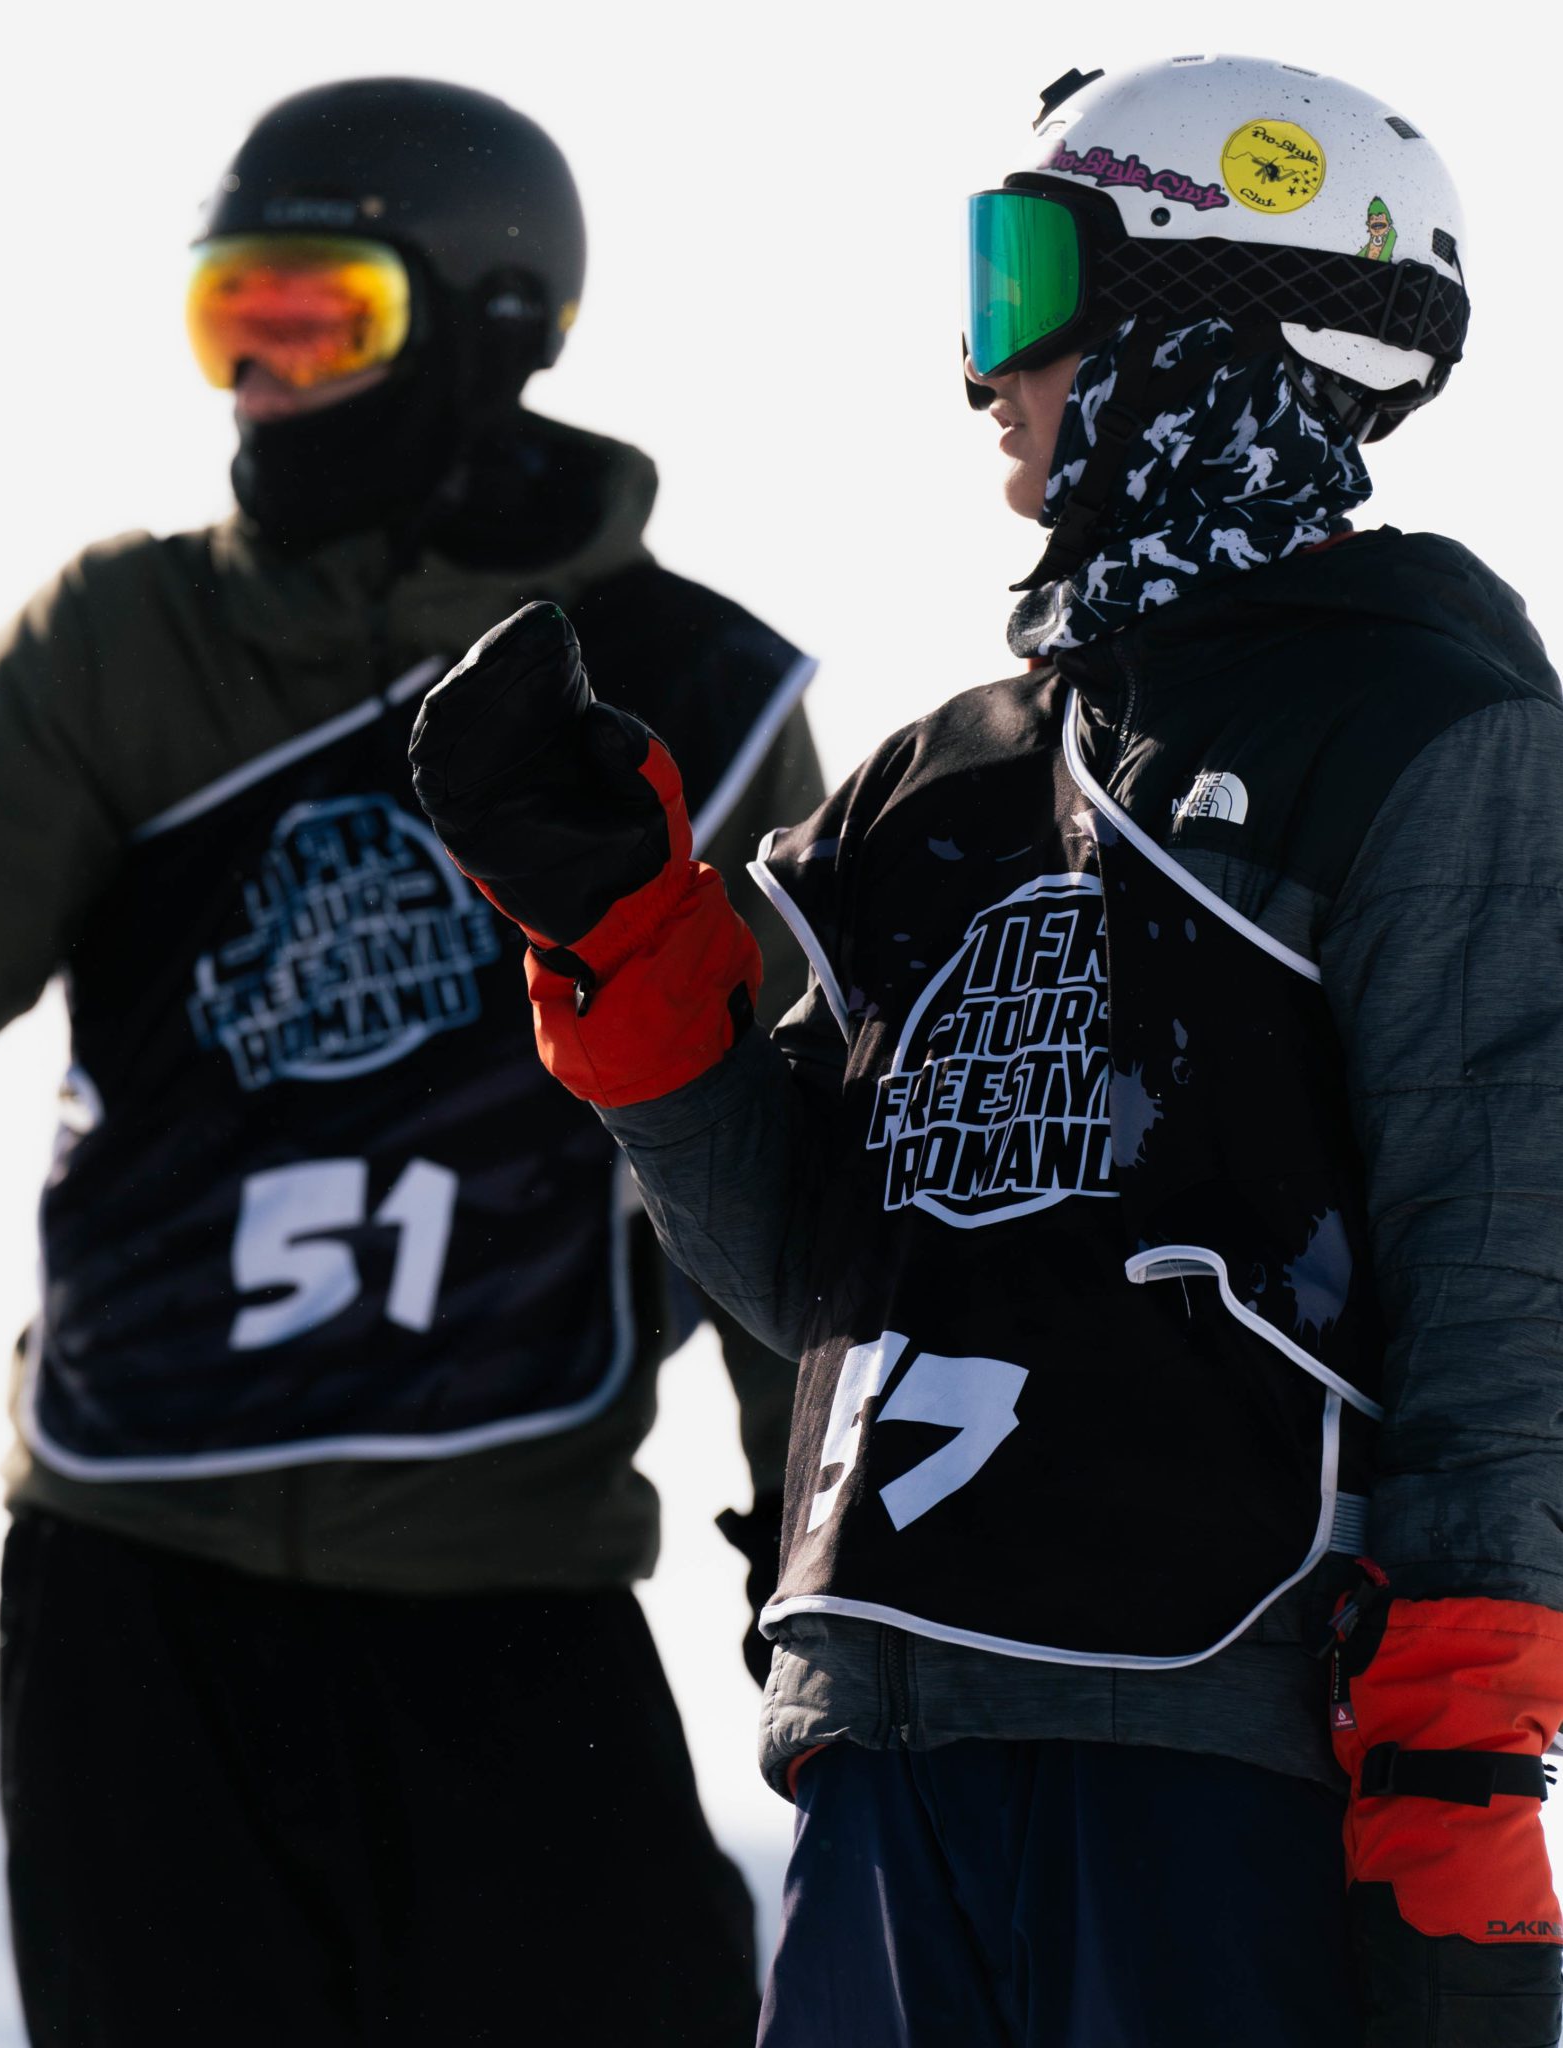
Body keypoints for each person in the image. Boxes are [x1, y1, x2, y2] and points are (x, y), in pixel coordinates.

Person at [409, 53, 1563, 2048]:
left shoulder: (1427, 739)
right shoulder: (937, 787)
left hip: (1211, 1751)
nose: (982, 373)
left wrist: (1462, 1758)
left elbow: (1501, 1290)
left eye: (1026, 286)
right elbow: (812, 1269)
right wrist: (623, 938)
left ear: (1211, 321)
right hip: (889, 1732)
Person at [0, 77, 820, 2048]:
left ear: (492, 330)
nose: (258, 379)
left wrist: (818, 1538)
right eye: (226, 319)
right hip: (135, 1579)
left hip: (506, 1585)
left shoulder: (698, 695)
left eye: (319, 319)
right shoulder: (130, 644)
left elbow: (783, 1162)